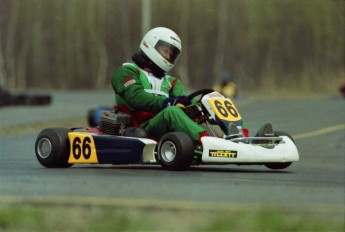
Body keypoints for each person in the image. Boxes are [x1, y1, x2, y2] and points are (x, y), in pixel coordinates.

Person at [111, 27, 208, 144]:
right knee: (171, 112)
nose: (168, 57)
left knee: (205, 115)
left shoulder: (172, 82)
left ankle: (227, 138)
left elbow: (184, 102)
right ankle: (206, 142)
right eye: (165, 51)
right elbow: (136, 97)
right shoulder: (127, 71)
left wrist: (201, 106)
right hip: (139, 125)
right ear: (150, 45)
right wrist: (166, 103)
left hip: (163, 125)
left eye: (171, 54)